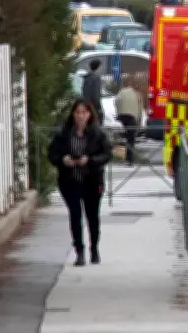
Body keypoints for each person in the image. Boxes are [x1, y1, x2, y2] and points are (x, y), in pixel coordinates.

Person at [48, 98, 112, 266]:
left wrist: (89, 160)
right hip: (70, 180)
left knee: (92, 216)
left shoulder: (98, 134)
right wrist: (64, 160)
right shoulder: (64, 134)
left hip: (91, 180)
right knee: (75, 214)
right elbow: (52, 154)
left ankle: (94, 249)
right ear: (73, 114)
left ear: (89, 114)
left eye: (84, 112)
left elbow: (106, 154)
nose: (80, 116)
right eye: (77, 112)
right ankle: (79, 251)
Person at [115, 76, 143, 166]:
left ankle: (126, 159)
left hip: (122, 117)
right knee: (131, 139)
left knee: (126, 137)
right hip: (132, 118)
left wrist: (118, 113)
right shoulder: (138, 94)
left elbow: (116, 101)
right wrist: (139, 123)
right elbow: (140, 111)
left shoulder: (122, 91)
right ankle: (129, 160)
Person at [81, 60, 104, 125]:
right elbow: (96, 94)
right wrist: (98, 107)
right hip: (94, 106)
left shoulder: (87, 78)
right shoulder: (96, 78)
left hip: (86, 105)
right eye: (101, 67)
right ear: (98, 67)